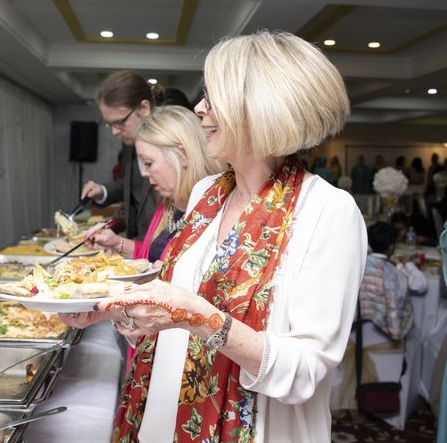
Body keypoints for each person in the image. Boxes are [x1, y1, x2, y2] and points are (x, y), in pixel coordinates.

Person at [62, 31, 367, 442]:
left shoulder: (329, 212)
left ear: (261, 108)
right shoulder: (209, 193)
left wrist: (200, 317)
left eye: (213, 96)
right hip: (163, 413)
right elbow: (173, 301)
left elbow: (304, 373)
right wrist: (102, 308)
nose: (200, 109)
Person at [85, 106, 224, 263]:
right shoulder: (168, 204)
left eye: (148, 163)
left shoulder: (217, 213)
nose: (144, 173)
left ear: (183, 155)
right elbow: (150, 256)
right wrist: (117, 243)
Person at [81, 71, 160, 239]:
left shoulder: (172, 147)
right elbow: (134, 185)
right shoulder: (129, 143)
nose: (115, 131)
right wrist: (102, 191)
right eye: (110, 125)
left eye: (120, 122)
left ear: (144, 108)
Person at [360, 222, 413, 340]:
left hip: (353, 332)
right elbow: (395, 316)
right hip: (383, 337)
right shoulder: (395, 275)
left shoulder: (356, 265)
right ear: (391, 247)